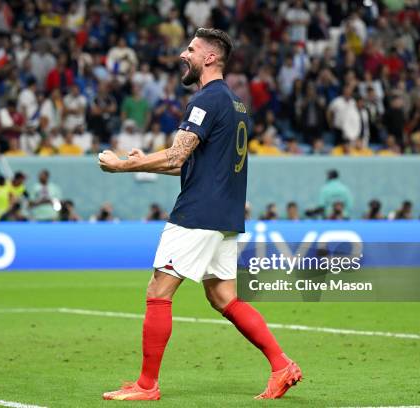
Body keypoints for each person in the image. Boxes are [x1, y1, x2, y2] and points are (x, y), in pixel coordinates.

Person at [99, 28, 301, 401]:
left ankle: (147, 385)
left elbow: (178, 156)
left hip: (198, 214)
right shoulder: (237, 105)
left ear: (209, 58)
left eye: (190, 49)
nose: (182, 54)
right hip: (225, 215)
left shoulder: (206, 100)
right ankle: (281, 365)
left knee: (159, 289)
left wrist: (120, 167)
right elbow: (189, 164)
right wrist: (144, 162)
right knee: (223, 296)